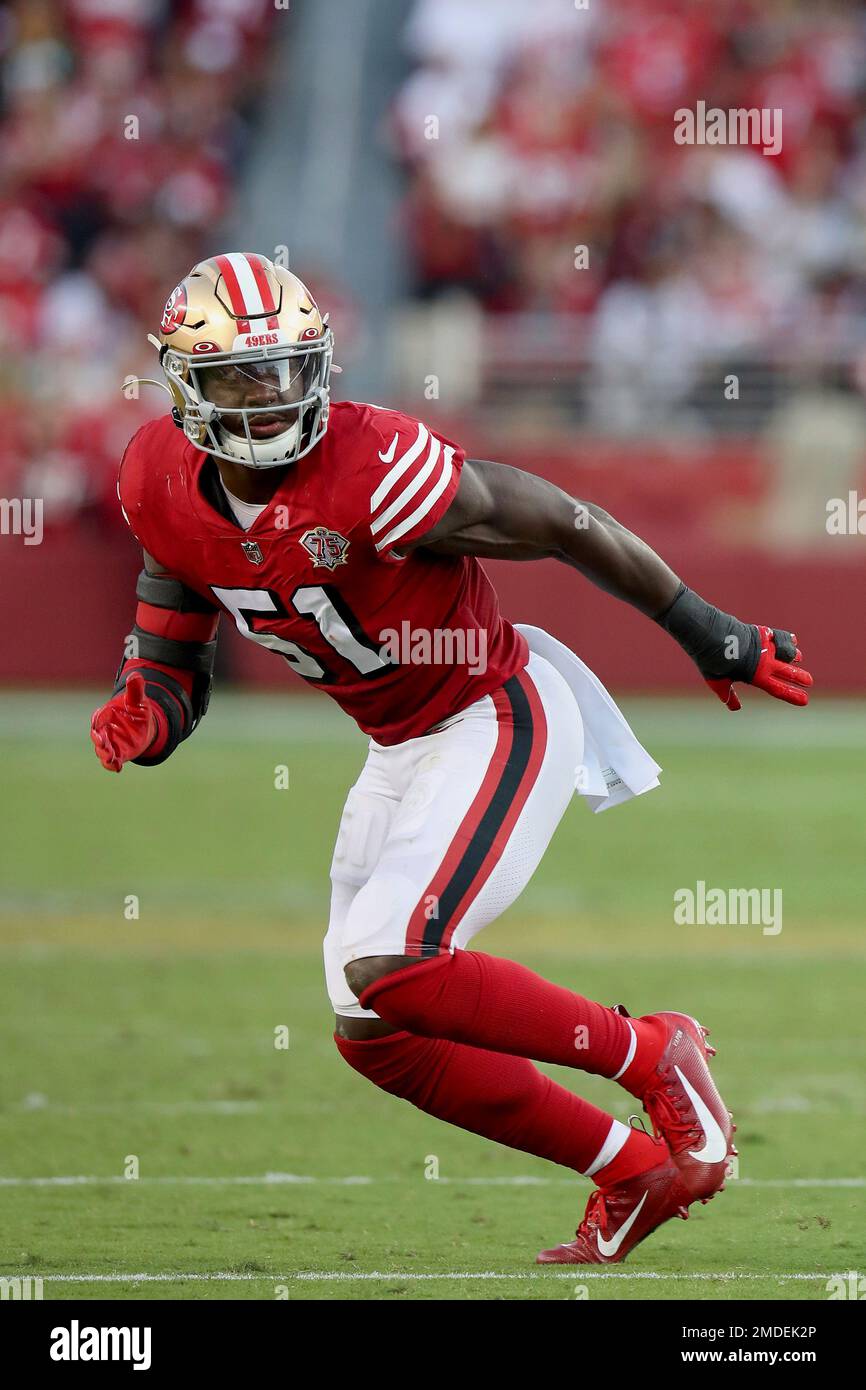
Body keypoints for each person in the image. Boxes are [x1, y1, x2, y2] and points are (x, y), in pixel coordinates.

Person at [90, 253, 812, 1263]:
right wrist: (155, 699)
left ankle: (654, 1052)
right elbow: (178, 596)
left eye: (288, 368)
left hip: (491, 715)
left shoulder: (374, 468)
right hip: (397, 746)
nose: (271, 397)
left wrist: (704, 629)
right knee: (369, 1027)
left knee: (391, 960)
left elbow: (563, 520)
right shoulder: (154, 478)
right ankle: (631, 1168)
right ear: (184, 386)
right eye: (243, 376)